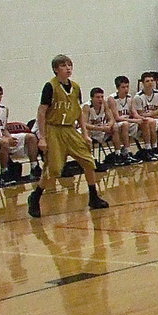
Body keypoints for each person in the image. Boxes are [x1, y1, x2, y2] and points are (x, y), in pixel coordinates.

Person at [27, 54, 109, 218]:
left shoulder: (76, 87)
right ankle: (35, 197)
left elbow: (78, 111)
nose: (68, 68)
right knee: (54, 169)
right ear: (56, 69)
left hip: (70, 129)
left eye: (69, 65)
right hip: (54, 129)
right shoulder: (50, 86)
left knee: (88, 161)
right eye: (64, 66)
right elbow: (42, 112)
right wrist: (42, 137)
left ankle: (93, 197)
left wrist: (85, 133)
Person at [0, 83, 41, 184]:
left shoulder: (4, 109)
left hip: (2, 137)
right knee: (5, 142)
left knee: (31, 137)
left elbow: (4, 128)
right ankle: (5, 173)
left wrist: (10, 137)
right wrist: (6, 139)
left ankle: (34, 167)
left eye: (0, 95)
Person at [106, 75, 148, 163]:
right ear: (117, 88)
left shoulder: (129, 97)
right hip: (116, 123)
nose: (126, 89)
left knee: (145, 122)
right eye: (123, 87)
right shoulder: (111, 99)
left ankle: (148, 149)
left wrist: (142, 118)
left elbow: (134, 113)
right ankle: (127, 152)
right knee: (125, 124)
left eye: (127, 87)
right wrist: (135, 120)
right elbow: (116, 118)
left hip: (128, 121)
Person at [83, 87, 123, 167]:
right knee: (87, 133)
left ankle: (118, 154)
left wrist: (109, 125)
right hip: (91, 130)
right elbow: (84, 124)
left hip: (101, 129)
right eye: (98, 97)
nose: (100, 99)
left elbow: (112, 119)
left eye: (102, 97)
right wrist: (100, 128)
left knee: (114, 127)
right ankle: (91, 159)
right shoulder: (87, 107)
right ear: (91, 98)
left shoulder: (104, 104)